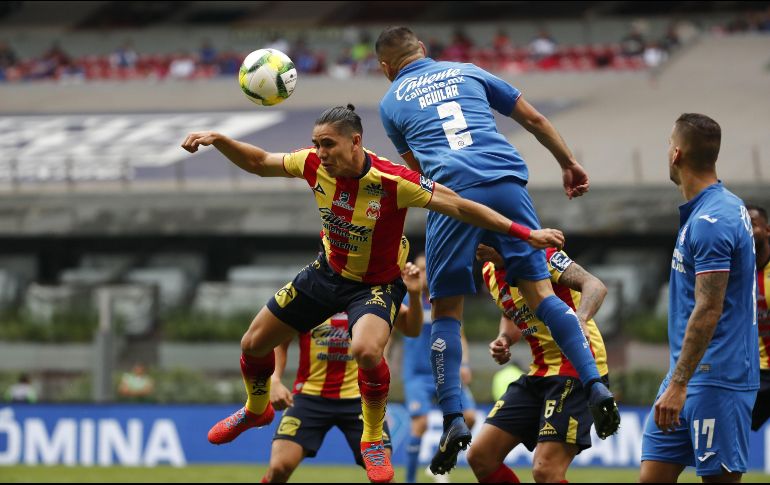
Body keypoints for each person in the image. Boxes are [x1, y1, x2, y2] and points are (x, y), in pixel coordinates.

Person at [180, 104, 563, 484]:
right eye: (316, 143)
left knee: (365, 350)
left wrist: (526, 234)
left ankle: (373, 437)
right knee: (252, 344)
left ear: (355, 141)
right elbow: (261, 161)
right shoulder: (312, 164)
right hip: (326, 273)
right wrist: (220, 140)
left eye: (328, 144)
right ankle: (256, 409)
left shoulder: (394, 181)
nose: (321, 152)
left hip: (376, 285)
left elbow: (461, 205)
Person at [375, 26, 619, 474]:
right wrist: (568, 163)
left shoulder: (390, 104)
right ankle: (596, 385)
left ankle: (451, 417)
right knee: (542, 295)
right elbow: (535, 120)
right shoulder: (468, 70)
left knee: (446, 312)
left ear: (386, 68)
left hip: (453, 193)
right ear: (424, 51)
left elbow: (417, 174)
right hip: (507, 180)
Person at [640, 114, 759, 483]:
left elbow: (709, 307)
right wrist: (677, 380)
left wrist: (678, 383)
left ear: (676, 154)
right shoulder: (717, 209)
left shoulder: (714, 221)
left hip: (716, 377)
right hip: (686, 375)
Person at [263, 246, 423, 483]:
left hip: (361, 401)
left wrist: (416, 295)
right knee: (278, 468)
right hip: (309, 396)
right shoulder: (310, 291)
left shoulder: (375, 295)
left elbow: (412, 328)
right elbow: (279, 341)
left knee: (383, 477)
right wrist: (275, 380)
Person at [467, 244, 610, 483]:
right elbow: (510, 313)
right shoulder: (489, 272)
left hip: (577, 368)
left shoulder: (541, 256)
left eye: (483, 235)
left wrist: (581, 319)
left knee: (546, 471)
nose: (476, 244)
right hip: (540, 371)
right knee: (481, 457)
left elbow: (595, 286)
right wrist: (505, 338)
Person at [401, 253, 477, 484]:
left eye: (428, 269)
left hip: (446, 372)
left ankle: (440, 463)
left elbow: (459, 334)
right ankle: (411, 480)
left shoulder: (443, 299)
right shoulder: (405, 300)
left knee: (470, 418)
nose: (424, 274)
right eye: (421, 269)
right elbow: (391, 332)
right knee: (420, 424)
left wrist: (464, 363)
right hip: (417, 374)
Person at [747, 204, 770, 432]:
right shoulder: (737, 273)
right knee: (734, 428)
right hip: (757, 374)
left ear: (768, 230)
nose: (747, 231)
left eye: (752, 225)